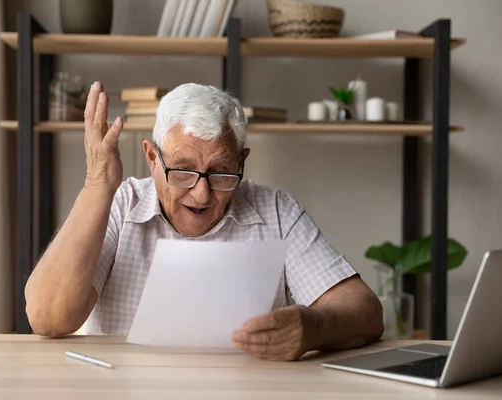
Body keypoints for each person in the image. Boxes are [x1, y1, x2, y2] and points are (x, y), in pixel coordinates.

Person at [25, 81, 384, 361]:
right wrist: (97, 184)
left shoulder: (276, 210)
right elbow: (48, 317)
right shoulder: (120, 204)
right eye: (182, 170)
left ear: (242, 163)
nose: (201, 194)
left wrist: (314, 328)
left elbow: (366, 311)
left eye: (222, 172)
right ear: (152, 158)